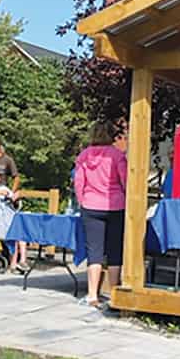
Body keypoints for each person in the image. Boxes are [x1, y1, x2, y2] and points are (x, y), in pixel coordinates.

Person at [73, 120, 127, 310]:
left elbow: (79, 182)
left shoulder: (84, 156)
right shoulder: (117, 155)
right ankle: (114, 294)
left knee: (94, 252)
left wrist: (82, 201)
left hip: (91, 205)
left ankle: (92, 295)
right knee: (114, 251)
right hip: (115, 205)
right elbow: (125, 180)